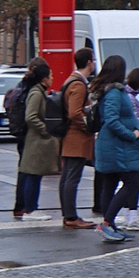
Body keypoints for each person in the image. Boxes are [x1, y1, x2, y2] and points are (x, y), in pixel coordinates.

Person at [91, 55, 139, 243]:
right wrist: (131, 134)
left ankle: (111, 226)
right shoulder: (114, 92)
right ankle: (106, 224)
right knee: (133, 182)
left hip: (113, 146)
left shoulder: (109, 90)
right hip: (118, 146)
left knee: (110, 183)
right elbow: (112, 120)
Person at [57, 48, 97, 229]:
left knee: (67, 177)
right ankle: (71, 216)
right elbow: (74, 113)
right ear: (88, 62)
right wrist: (87, 126)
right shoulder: (78, 84)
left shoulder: (71, 80)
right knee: (72, 177)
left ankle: (68, 215)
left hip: (70, 136)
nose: (94, 63)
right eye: (93, 60)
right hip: (76, 138)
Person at [15, 59, 59, 221]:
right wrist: (45, 130)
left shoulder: (39, 91)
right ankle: (30, 210)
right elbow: (31, 116)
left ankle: (31, 208)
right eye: (51, 76)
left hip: (36, 141)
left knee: (34, 175)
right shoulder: (36, 93)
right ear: (44, 79)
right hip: (36, 141)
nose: (52, 78)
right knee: (33, 175)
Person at [115, 67, 139, 232]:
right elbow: (137, 122)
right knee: (136, 182)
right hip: (133, 144)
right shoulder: (130, 98)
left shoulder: (127, 96)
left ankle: (128, 216)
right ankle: (130, 217)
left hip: (128, 144)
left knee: (133, 181)